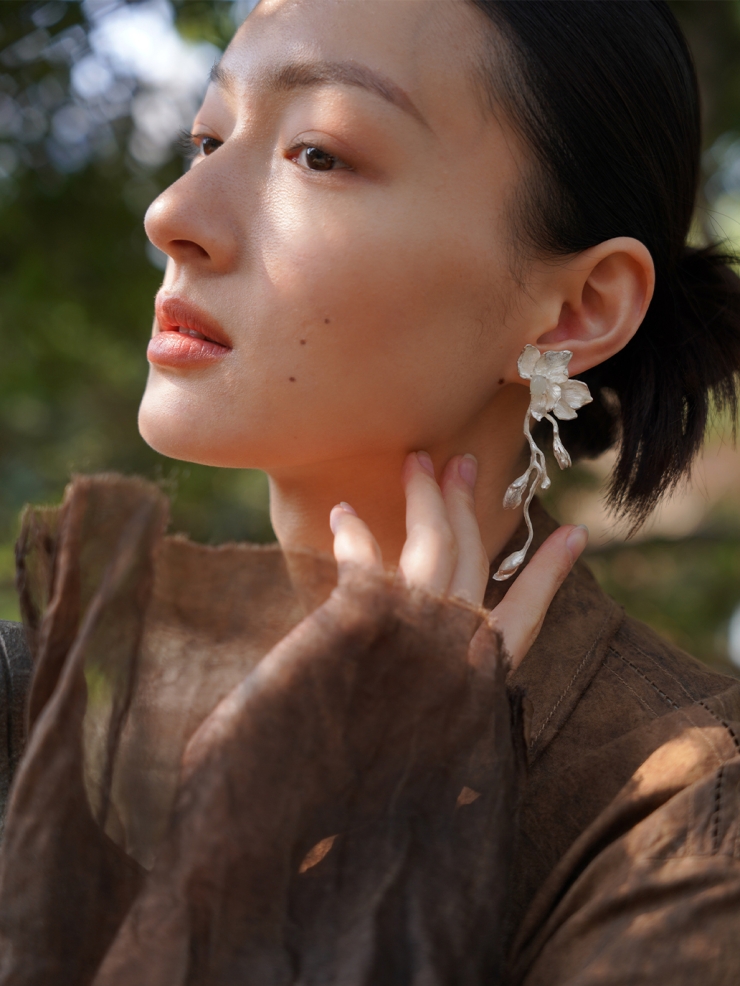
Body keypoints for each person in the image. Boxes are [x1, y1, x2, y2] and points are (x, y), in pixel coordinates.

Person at [1, 1, 740, 983]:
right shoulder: (37, 706)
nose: (173, 214)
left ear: (574, 310)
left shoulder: (687, 808)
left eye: (317, 154)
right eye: (207, 137)